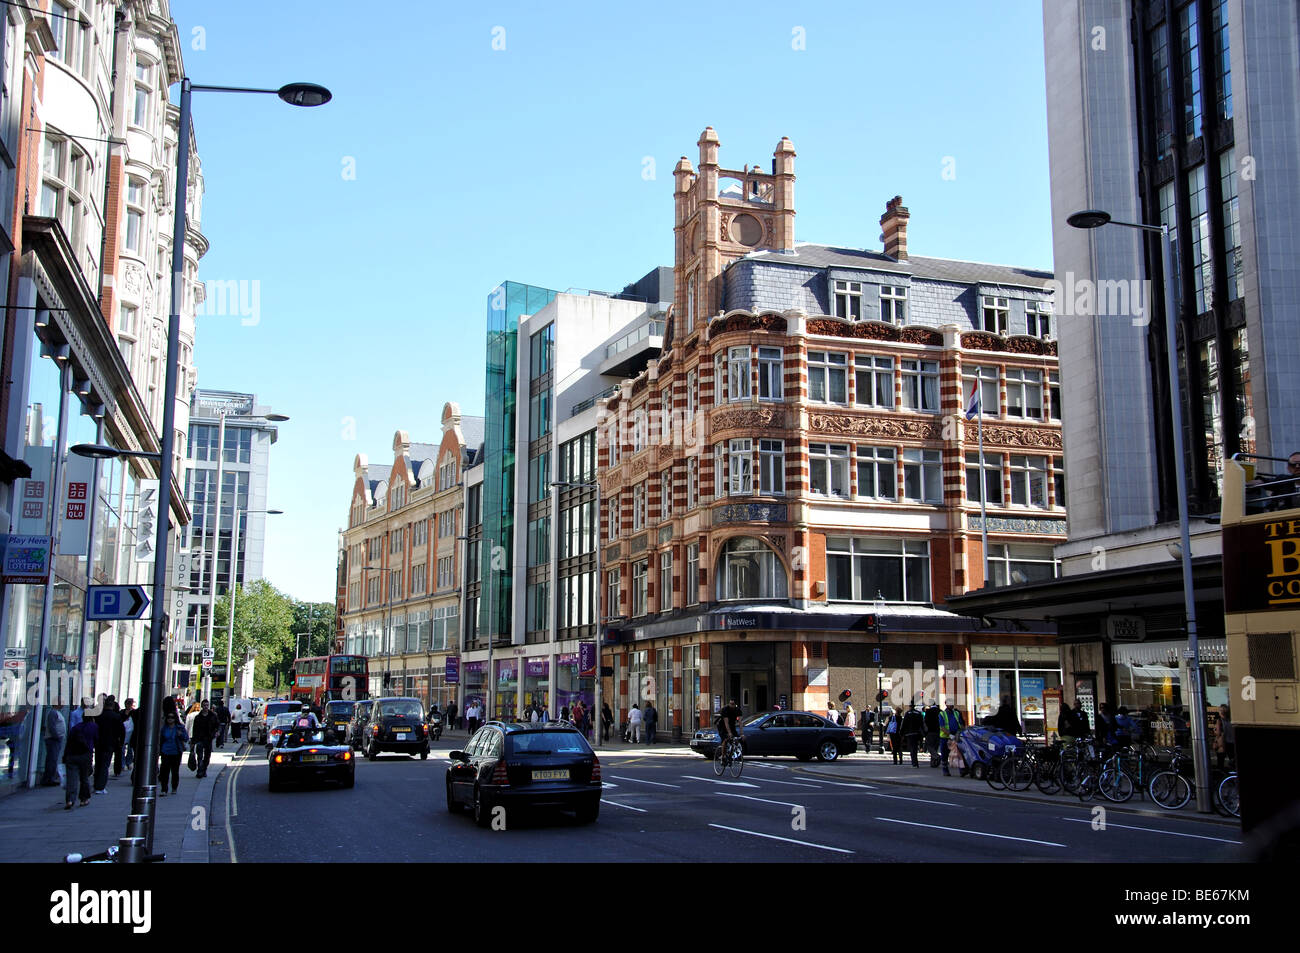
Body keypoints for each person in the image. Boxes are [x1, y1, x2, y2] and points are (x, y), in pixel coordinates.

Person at [62, 702, 97, 809]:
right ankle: (84, 799)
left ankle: (69, 800)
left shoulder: (76, 728)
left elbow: (69, 742)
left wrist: (65, 755)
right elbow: (96, 740)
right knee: (84, 778)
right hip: (85, 754)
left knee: (71, 779)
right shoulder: (94, 727)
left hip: (72, 755)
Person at [92, 695, 122, 795]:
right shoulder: (116, 717)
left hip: (99, 742)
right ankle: (100, 787)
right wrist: (119, 742)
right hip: (109, 743)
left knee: (98, 763)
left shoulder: (98, 716)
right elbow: (120, 731)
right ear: (113, 706)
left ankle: (96, 784)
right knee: (105, 765)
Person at [157, 711, 188, 797]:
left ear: (175, 719)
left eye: (172, 717)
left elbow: (186, 738)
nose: (170, 719)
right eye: (169, 717)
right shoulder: (164, 728)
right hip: (165, 751)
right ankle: (164, 789)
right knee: (164, 771)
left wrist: (180, 734)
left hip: (176, 752)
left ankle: (174, 787)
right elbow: (161, 739)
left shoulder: (179, 727)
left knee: (175, 771)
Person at [192, 700, 221, 778]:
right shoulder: (198, 717)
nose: (205, 707)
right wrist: (193, 741)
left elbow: (218, 725)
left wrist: (217, 732)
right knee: (200, 756)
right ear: (202, 706)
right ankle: (199, 771)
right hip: (200, 738)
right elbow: (194, 729)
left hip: (209, 738)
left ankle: (204, 769)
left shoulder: (213, 716)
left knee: (207, 756)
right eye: (204, 705)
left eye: (207, 705)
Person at [937, 700, 965, 776]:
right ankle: (945, 770)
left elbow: (961, 724)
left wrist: (962, 732)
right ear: (946, 704)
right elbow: (942, 727)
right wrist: (949, 735)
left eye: (952, 703)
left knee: (958, 754)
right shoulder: (942, 714)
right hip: (945, 737)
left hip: (956, 736)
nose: (951, 705)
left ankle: (962, 770)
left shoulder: (956, 713)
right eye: (949, 704)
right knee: (945, 754)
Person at [41, 704, 66, 787]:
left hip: (56, 739)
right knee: (51, 759)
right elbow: (52, 726)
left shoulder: (57, 713)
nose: (63, 704)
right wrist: (56, 736)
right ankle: (48, 779)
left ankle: (50, 778)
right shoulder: (53, 713)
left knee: (53, 759)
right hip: (53, 739)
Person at [901, 702, 925, 768]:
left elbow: (904, 724)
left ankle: (914, 762)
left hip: (910, 733)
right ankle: (916, 760)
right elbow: (922, 724)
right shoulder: (918, 713)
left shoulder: (907, 713)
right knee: (915, 747)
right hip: (917, 733)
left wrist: (902, 733)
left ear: (910, 706)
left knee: (912, 748)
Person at [1213, 704, 1235, 770]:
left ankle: (1222, 777)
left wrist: (1215, 731)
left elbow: (1218, 733)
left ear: (1221, 712)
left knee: (1220, 762)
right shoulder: (1231, 720)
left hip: (1223, 743)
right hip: (1232, 743)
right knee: (1232, 760)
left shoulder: (1219, 721)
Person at [923, 700, 942, 767]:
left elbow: (925, 722)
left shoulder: (928, 712)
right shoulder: (940, 711)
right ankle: (933, 762)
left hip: (930, 731)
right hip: (939, 731)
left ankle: (936, 757)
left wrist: (925, 731)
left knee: (929, 746)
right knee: (935, 747)